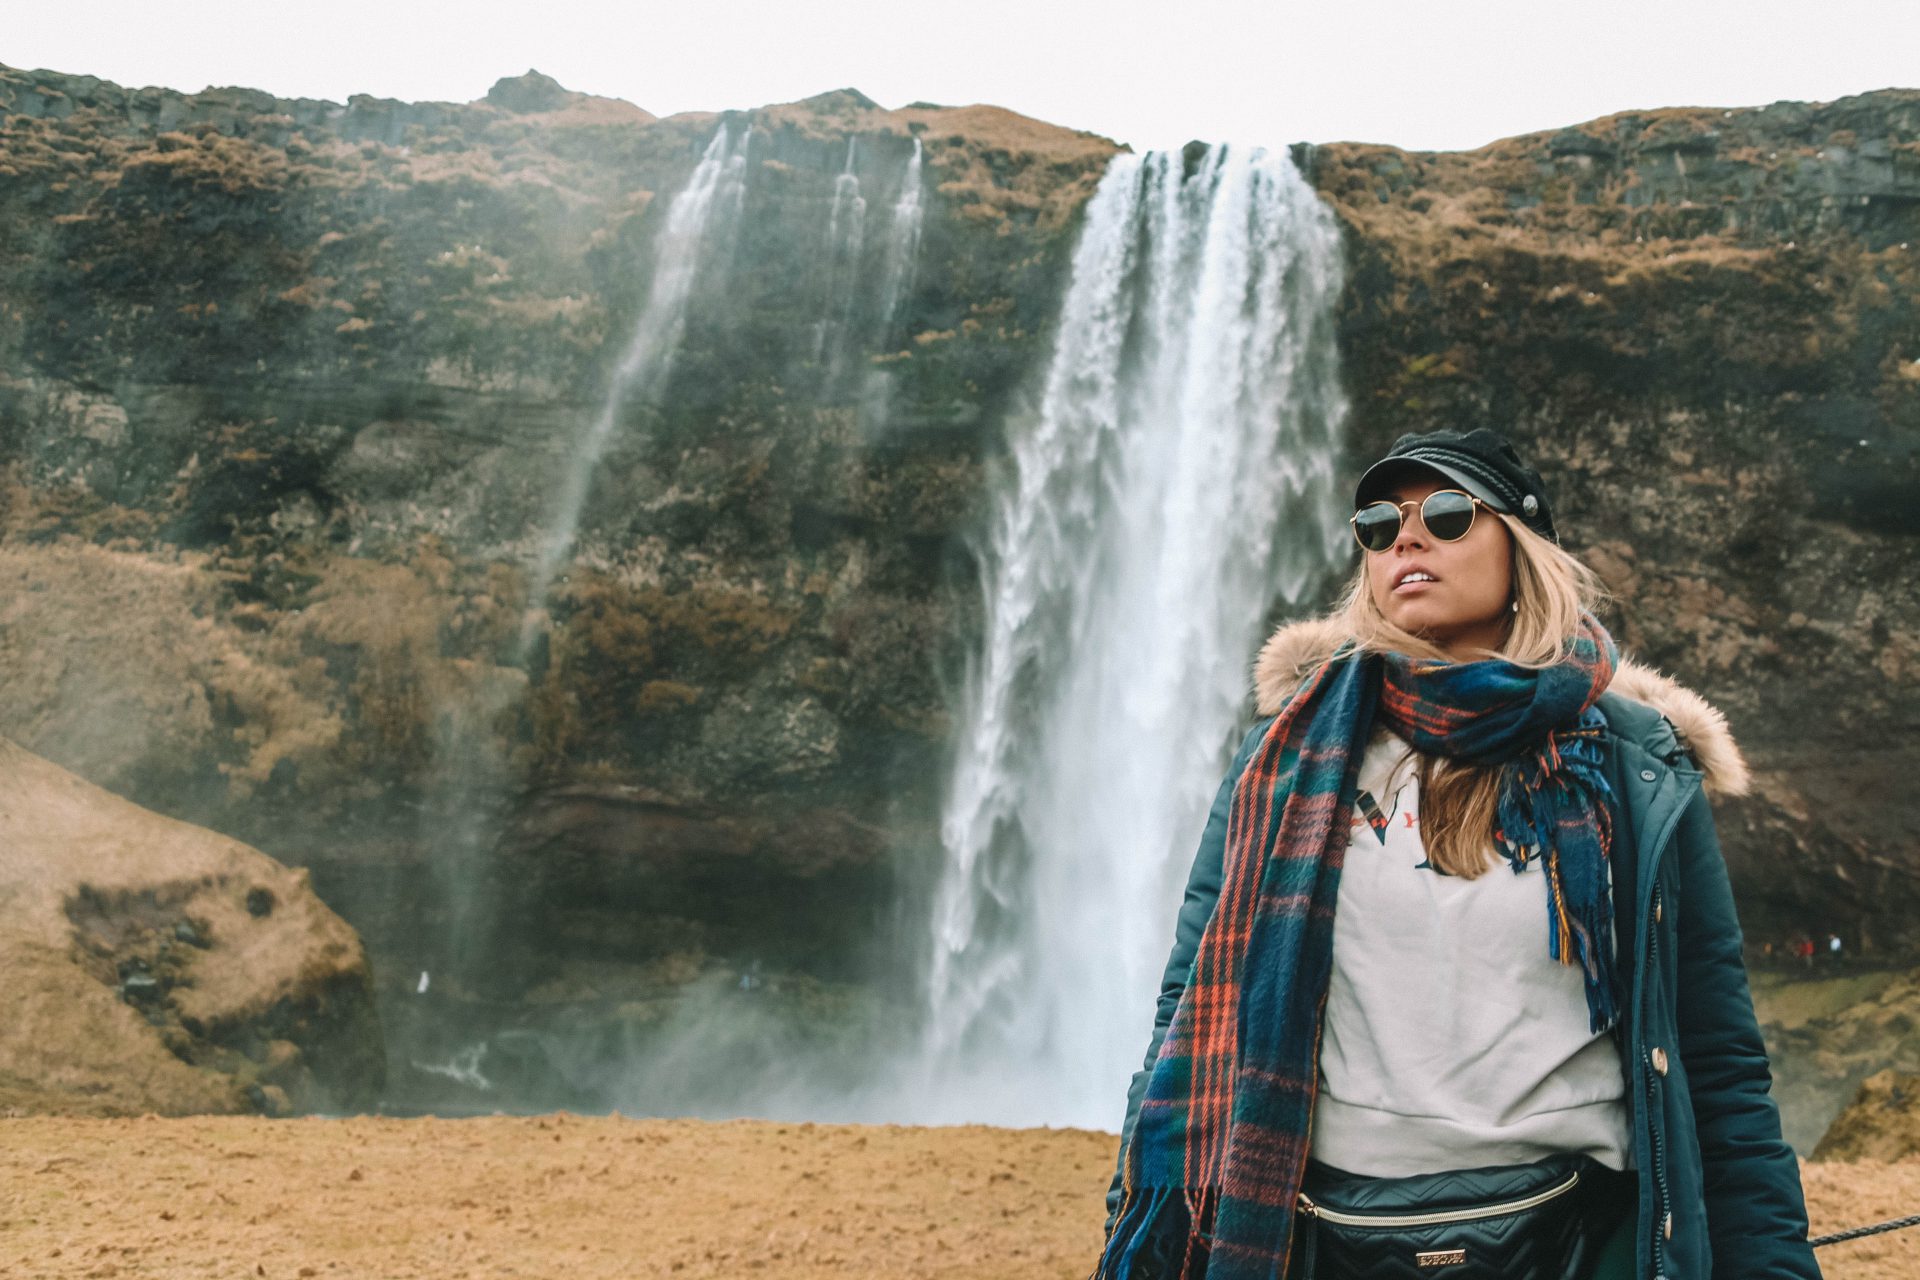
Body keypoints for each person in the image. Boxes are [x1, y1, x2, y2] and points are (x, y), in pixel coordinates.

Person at [1094, 428, 1819, 1280]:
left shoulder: (1635, 764)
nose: (1405, 538)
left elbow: (1718, 1057)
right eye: (1377, 524)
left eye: (1446, 513)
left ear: (1523, 546)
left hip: (1586, 1243)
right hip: (1333, 1241)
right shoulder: (1284, 765)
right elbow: (1186, 1012)